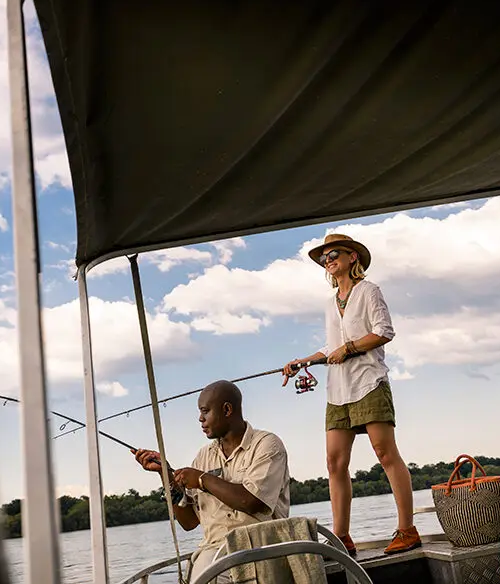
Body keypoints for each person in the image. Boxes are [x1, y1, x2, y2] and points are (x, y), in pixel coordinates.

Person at [282, 233, 419, 556]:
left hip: (369, 382)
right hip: (338, 390)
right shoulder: (330, 303)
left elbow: (384, 332)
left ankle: (408, 530)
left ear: (352, 257)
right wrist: (303, 361)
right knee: (334, 462)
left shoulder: (369, 291)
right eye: (324, 258)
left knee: (385, 454)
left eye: (333, 255)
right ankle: (342, 539)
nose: (328, 261)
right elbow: (332, 348)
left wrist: (350, 348)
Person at [132, 380, 290, 582]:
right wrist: (166, 475)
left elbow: (251, 502)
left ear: (226, 409)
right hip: (215, 552)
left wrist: (201, 479)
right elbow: (188, 522)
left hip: (262, 550)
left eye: (205, 411)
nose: (200, 419)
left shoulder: (267, 444)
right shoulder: (203, 456)